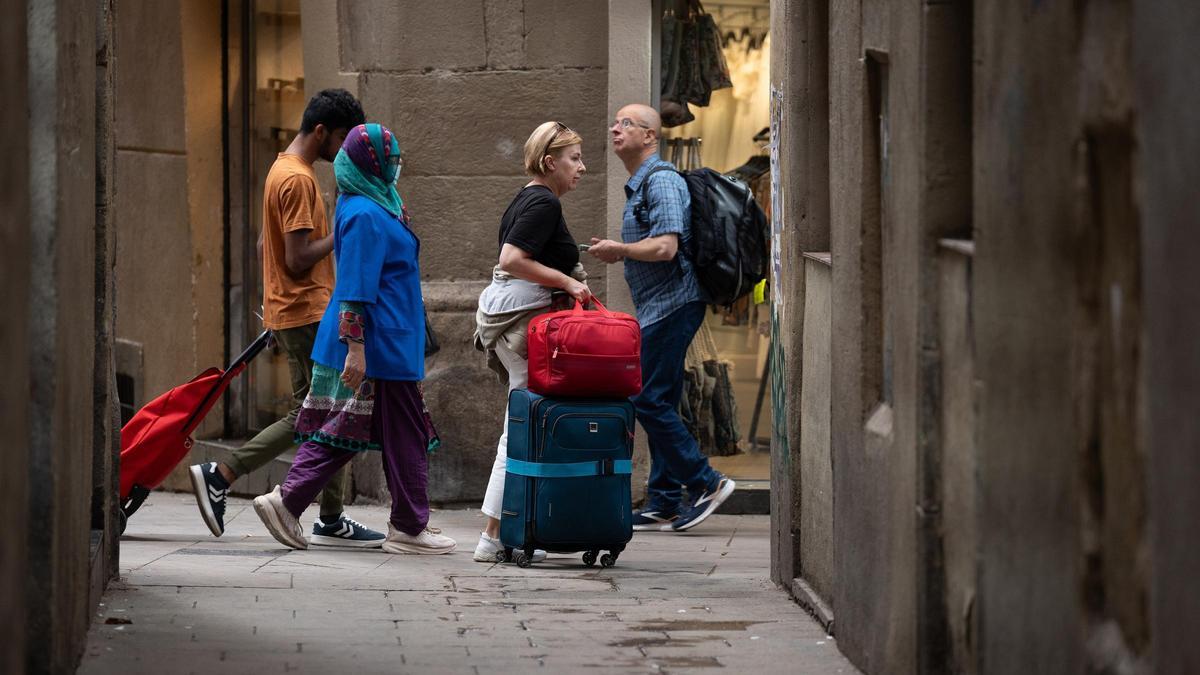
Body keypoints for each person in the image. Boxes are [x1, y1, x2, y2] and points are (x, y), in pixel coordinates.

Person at [187, 89, 384, 547]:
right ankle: (221, 472)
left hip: (291, 310)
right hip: (309, 310)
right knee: (315, 412)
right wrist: (340, 232)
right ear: (321, 132)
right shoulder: (299, 181)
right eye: (341, 138)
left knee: (330, 411)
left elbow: (264, 247)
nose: (344, 149)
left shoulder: (280, 169)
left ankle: (331, 518)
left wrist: (272, 307)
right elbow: (296, 258)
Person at [252, 122, 456, 555]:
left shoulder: (376, 203)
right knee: (347, 429)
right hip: (376, 347)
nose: (396, 168)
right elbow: (357, 288)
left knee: (390, 432)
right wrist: (357, 350)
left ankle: (407, 523)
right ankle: (288, 500)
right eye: (391, 161)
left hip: (392, 344)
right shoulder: (364, 213)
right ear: (371, 164)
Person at [587, 103, 736, 532]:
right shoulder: (642, 183)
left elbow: (666, 247)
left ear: (650, 136)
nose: (615, 129)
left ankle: (706, 482)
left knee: (646, 398)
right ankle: (666, 498)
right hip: (659, 307)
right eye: (615, 122)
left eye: (626, 124)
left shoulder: (663, 181)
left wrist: (620, 250)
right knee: (662, 397)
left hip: (675, 302)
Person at [472, 121, 591, 563]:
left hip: (513, 320)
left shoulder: (530, 197)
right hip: (525, 324)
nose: (582, 167)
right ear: (549, 162)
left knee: (523, 423)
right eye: (574, 158)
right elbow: (512, 259)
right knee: (518, 428)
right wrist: (569, 282)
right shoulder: (542, 201)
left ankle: (510, 530)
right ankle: (491, 535)